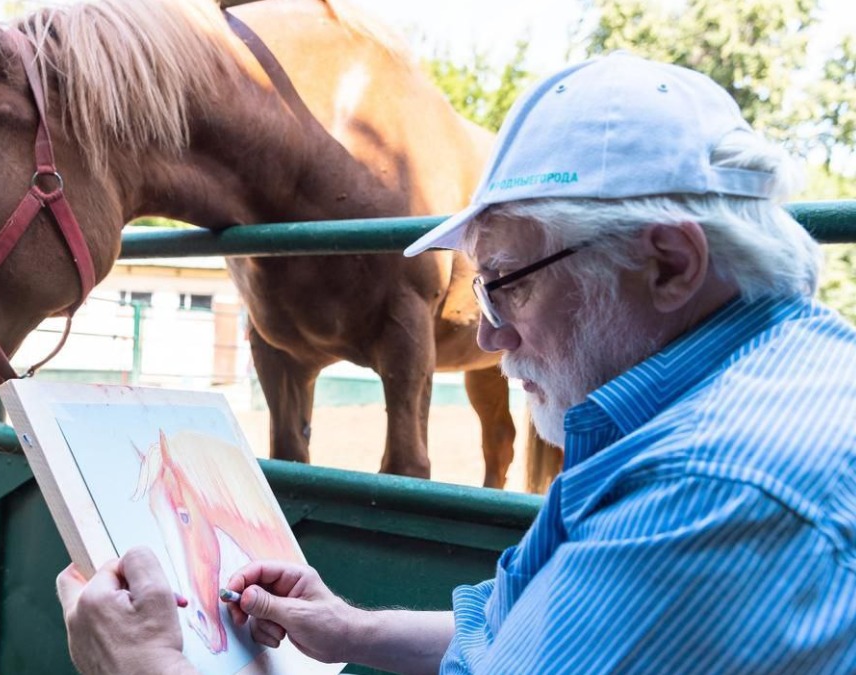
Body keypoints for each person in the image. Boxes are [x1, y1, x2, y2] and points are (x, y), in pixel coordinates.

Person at [56, 52, 856, 674]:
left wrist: (147, 664)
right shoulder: (736, 389)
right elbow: (530, 631)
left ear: (670, 264)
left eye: (508, 282)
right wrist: (350, 628)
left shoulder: (714, 489)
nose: (490, 336)